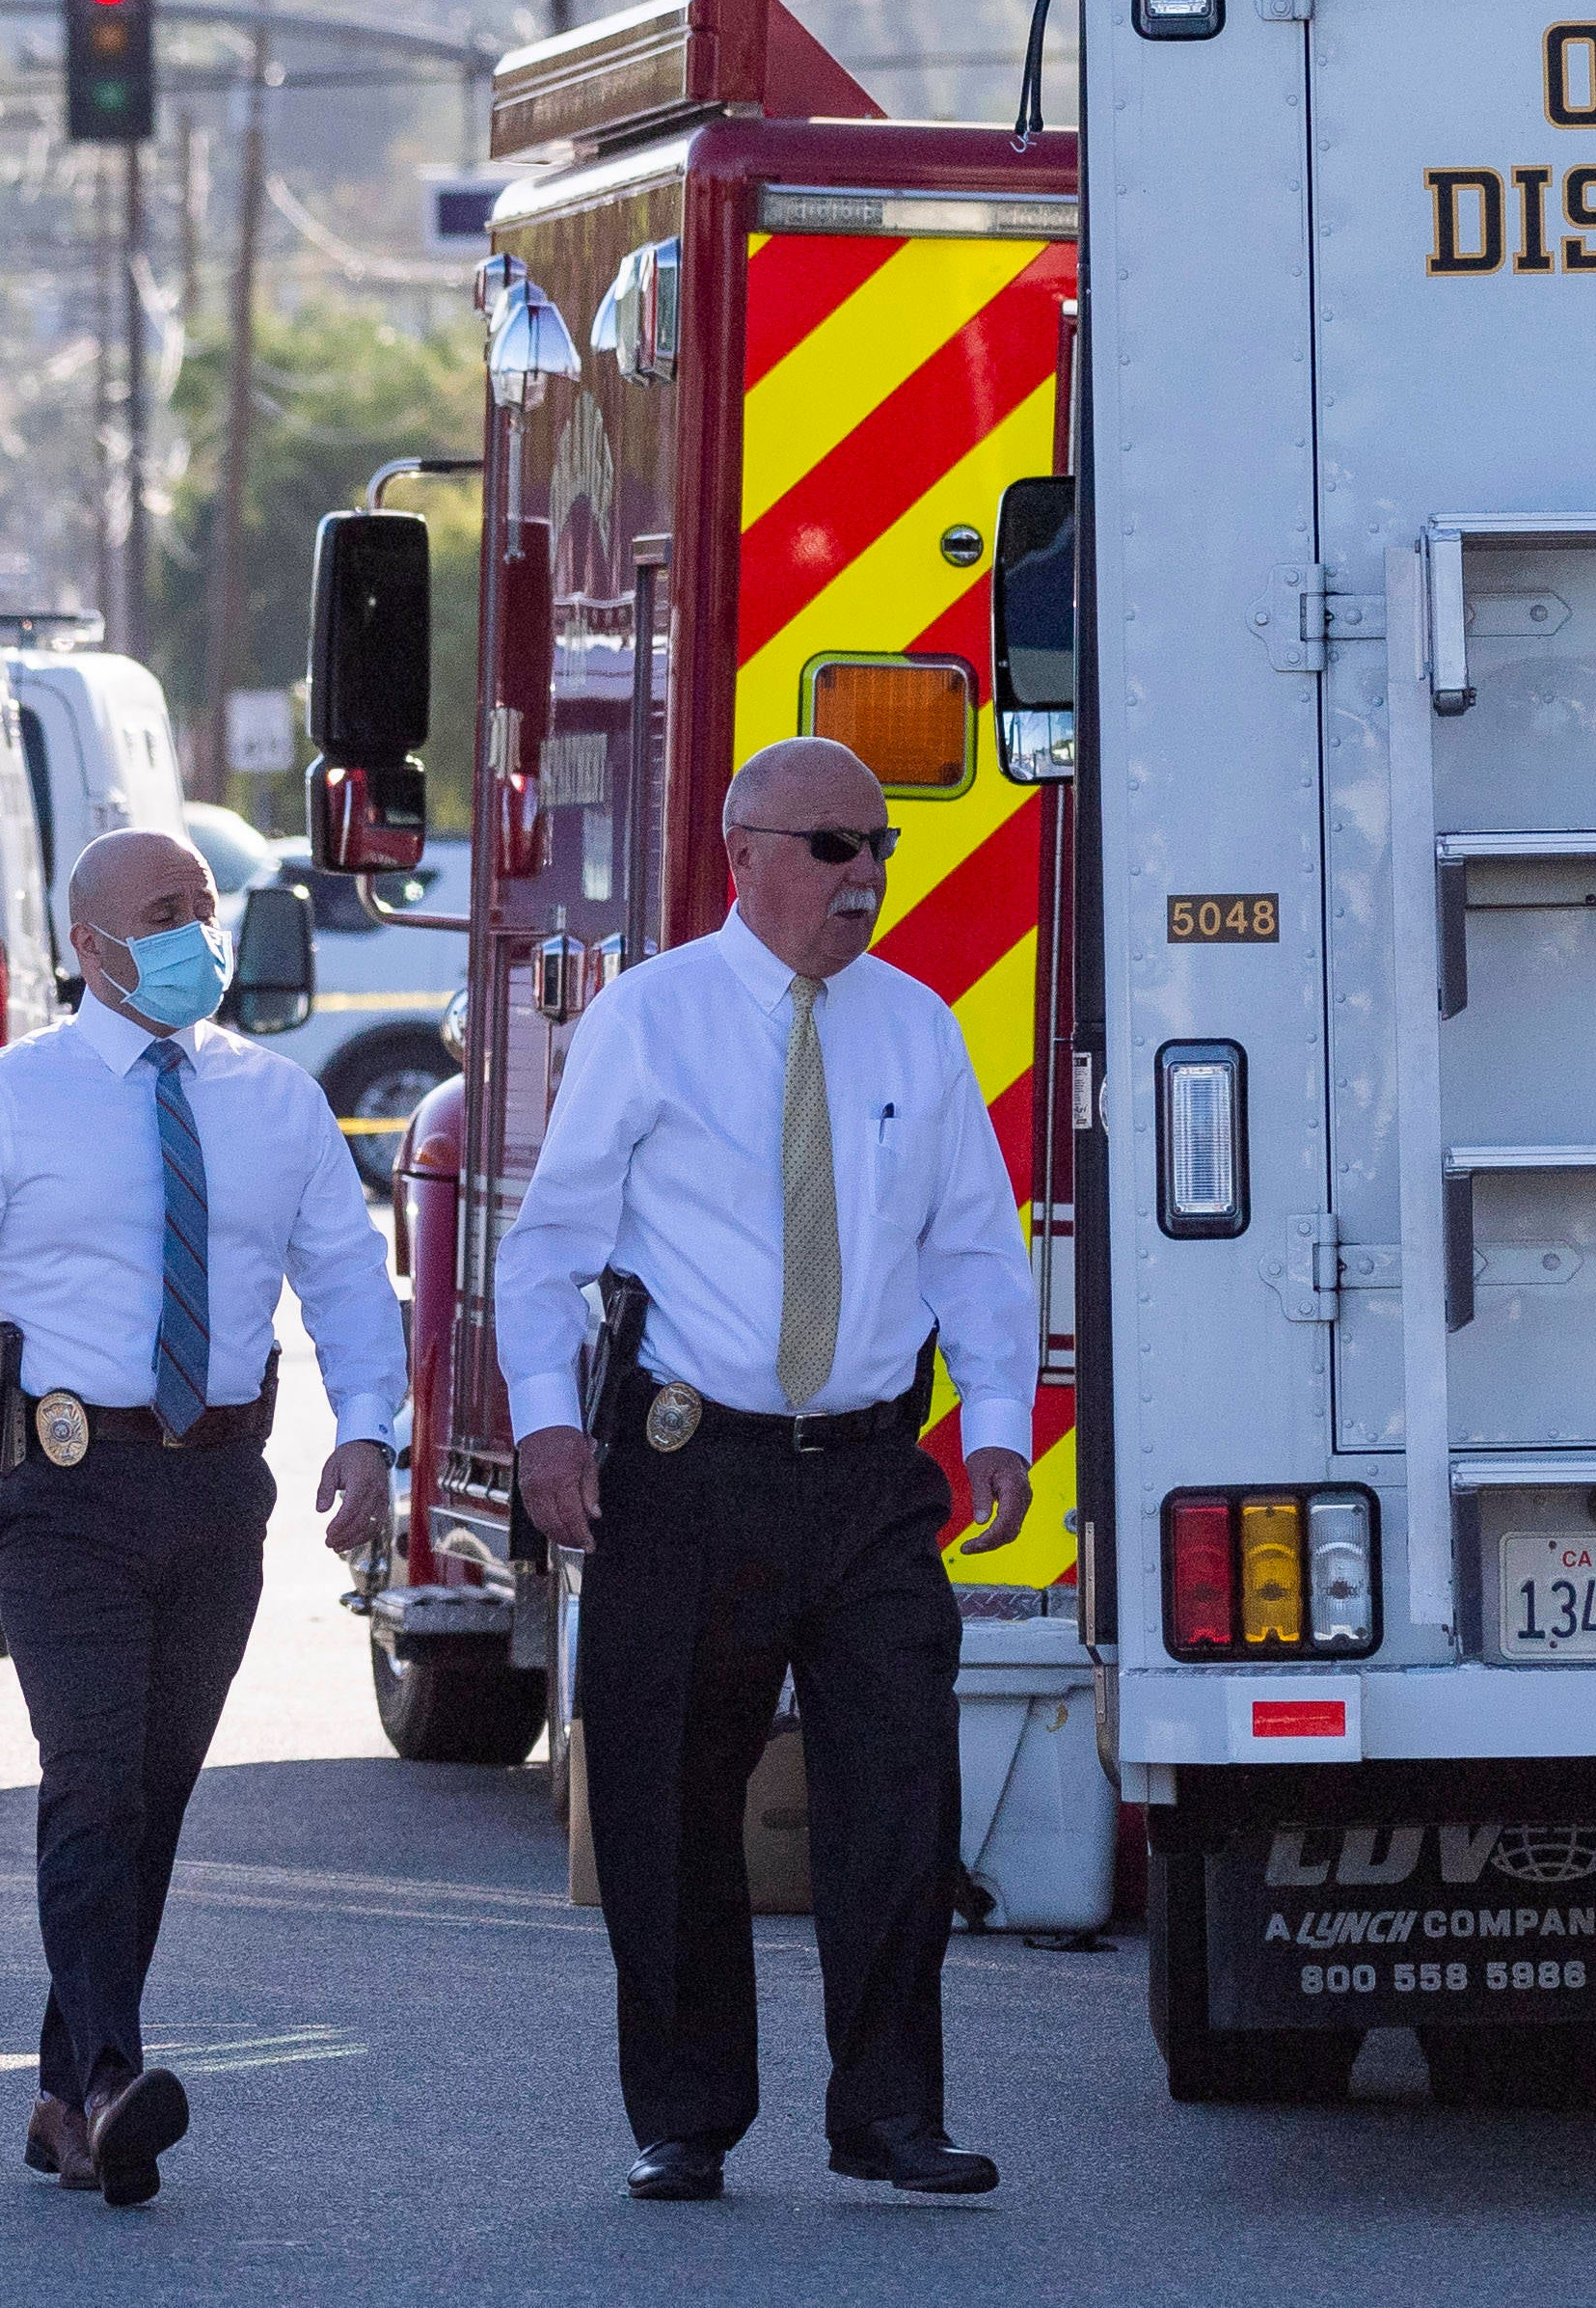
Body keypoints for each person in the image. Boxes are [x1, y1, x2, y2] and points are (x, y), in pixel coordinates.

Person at [499, 735, 1038, 2203]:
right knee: (670, 1801)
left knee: (898, 1798)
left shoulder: (916, 1027)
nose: (862, 876)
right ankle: (688, 2112)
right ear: (744, 854)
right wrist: (547, 1424)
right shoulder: (651, 1020)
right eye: (831, 846)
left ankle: (889, 2114)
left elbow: (977, 1245)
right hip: (687, 1472)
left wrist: (995, 1416)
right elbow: (549, 1243)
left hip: (866, 1479)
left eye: (878, 848)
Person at [0, 828, 404, 2209]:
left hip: (218, 1487)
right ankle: (109, 2080)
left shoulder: (275, 1102)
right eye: (166, 911)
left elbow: (343, 1273)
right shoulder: (6, 1101)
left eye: (206, 909)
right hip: (65, 1491)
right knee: (91, 1773)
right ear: (92, 947)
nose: (195, 933)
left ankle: (58, 2091)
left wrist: (372, 1435)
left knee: (149, 1795)